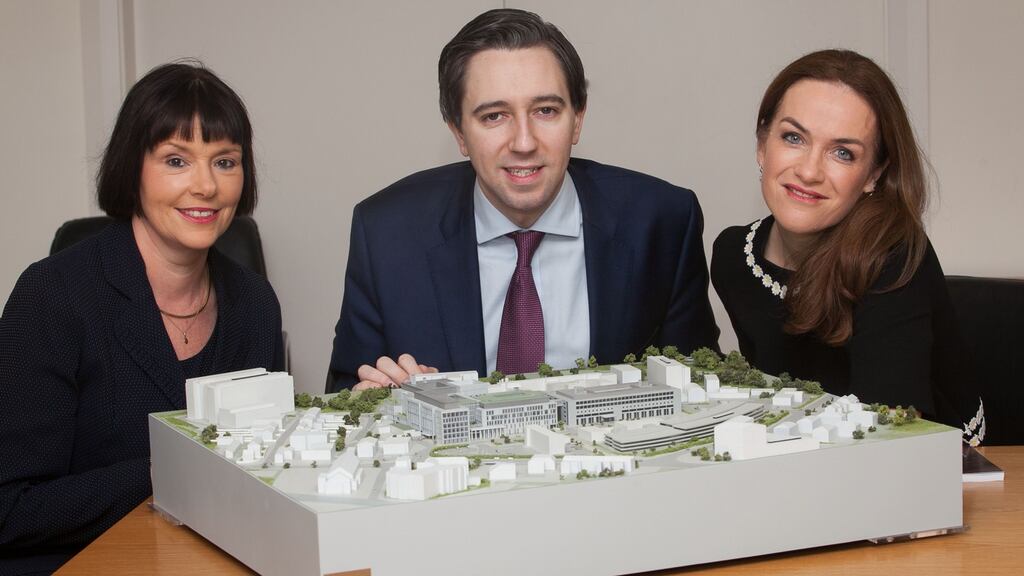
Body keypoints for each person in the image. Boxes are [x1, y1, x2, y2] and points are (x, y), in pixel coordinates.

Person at [328, 8, 719, 392]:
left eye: (546, 110)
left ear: (578, 119)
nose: (524, 142)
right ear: (459, 133)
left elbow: (700, 383)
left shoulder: (662, 221)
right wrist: (377, 399)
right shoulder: (386, 232)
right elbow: (345, 389)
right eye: (494, 116)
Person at [0, 62, 284, 572]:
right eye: (177, 160)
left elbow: (258, 472)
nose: (205, 186)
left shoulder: (254, 303)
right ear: (132, 168)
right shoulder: (53, 295)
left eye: (225, 162)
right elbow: (10, 507)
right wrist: (168, 471)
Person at [711, 49, 969, 423]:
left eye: (843, 153)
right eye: (794, 137)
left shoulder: (891, 256)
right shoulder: (735, 255)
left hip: (942, 466)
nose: (810, 171)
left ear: (873, 175)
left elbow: (893, 433)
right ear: (762, 144)